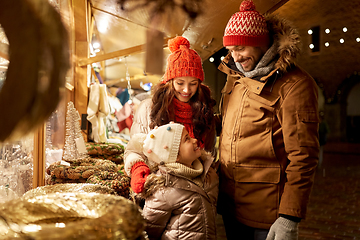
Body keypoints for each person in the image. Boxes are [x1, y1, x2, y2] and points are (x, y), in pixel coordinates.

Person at [216, 0, 320, 239]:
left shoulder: (295, 85)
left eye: (240, 48)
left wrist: (289, 217)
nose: (235, 57)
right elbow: (234, 126)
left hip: (267, 214)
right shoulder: (236, 76)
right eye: (230, 50)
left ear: (261, 43)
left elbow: (303, 157)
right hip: (231, 204)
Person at [124, 36, 217, 194]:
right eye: (180, 83)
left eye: (193, 83)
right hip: (159, 192)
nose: (186, 90)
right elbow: (134, 149)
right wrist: (138, 168)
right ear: (170, 81)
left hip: (196, 192)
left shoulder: (204, 111)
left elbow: (210, 154)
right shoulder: (149, 109)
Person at [127, 123, 219, 239]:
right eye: (187, 139)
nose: (195, 140)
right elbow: (150, 232)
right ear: (175, 156)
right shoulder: (163, 190)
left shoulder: (207, 173)